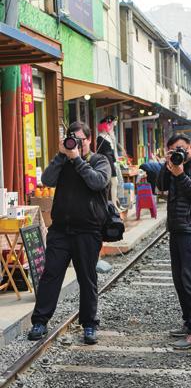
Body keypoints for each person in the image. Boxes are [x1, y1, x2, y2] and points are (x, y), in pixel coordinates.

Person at [27, 121, 111, 344]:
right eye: (72, 139)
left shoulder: (99, 160)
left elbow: (97, 182)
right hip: (61, 230)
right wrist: (61, 155)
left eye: (80, 140)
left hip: (88, 230)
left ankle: (89, 325)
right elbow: (47, 180)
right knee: (51, 275)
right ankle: (40, 322)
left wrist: (77, 159)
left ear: (89, 140)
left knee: (87, 278)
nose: (75, 143)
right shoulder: (63, 161)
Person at [157, 134, 191, 350]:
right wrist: (167, 164)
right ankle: (189, 323)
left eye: (180, 148)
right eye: (172, 150)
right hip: (177, 228)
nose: (178, 152)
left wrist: (179, 174)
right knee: (179, 280)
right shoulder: (173, 165)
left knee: (190, 280)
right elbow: (160, 186)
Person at [96, 115, 124, 209]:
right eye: (111, 125)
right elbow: (100, 152)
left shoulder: (109, 136)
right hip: (107, 161)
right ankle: (113, 203)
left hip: (112, 161)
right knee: (112, 182)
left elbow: (112, 151)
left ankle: (114, 202)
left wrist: (115, 161)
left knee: (115, 182)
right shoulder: (100, 137)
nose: (112, 127)